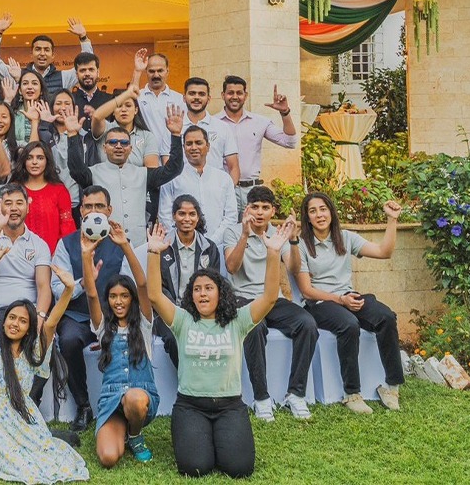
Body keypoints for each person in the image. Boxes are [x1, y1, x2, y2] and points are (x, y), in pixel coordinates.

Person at [146, 220, 294, 478]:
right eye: (197, 290)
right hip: (190, 406)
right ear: (191, 295)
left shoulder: (238, 321)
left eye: (208, 289)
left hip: (229, 406)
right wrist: (153, 252)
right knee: (195, 468)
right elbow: (155, 295)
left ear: (220, 293)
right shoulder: (182, 321)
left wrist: (273, 253)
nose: (202, 294)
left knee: (239, 469)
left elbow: (270, 296)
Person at [0, 246, 89, 483]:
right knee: (16, 461)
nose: (15, 323)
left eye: (23, 321)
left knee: (47, 453)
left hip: (23, 416)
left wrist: (68, 289)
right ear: (4, 322)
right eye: (12, 318)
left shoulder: (33, 352)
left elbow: (51, 323)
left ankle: (54, 436)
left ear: (29, 328)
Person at [291, 193, 405, 413]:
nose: (319, 214)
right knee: (349, 324)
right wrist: (340, 300)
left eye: (322, 209)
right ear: (307, 217)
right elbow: (306, 290)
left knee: (386, 317)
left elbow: (385, 252)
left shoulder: (345, 237)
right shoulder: (303, 245)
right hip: (320, 302)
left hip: (347, 296)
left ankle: (391, 386)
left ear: (331, 212)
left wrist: (392, 220)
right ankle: (352, 393)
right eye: (312, 211)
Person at [224, 186, 317, 422]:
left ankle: (296, 394)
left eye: (265, 208)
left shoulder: (279, 233)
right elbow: (231, 267)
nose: (260, 212)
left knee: (307, 323)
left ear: (272, 210)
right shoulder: (233, 232)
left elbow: (295, 268)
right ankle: (261, 397)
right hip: (242, 298)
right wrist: (245, 235)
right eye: (255, 207)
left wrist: (293, 240)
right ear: (247, 209)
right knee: (256, 328)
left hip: (272, 297)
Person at [49, 186, 134, 432]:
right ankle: (83, 404)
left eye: (99, 207)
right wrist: (84, 283)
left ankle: (121, 402)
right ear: (81, 211)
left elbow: (131, 285)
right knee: (69, 340)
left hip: (112, 315)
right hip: (76, 315)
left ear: (109, 211)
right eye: (88, 207)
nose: (93, 211)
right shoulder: (66, 244)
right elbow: (57, 288)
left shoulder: (120, 242)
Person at [81, 231, 158, 466]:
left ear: (132, 299)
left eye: (125, 296)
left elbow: (143, 283)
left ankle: (134, 435)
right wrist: (86, 257)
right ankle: (122, 427)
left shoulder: (144, 324)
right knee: (108, 457)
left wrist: (125, 245)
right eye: (113, 296)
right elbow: (92, 295)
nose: (119, 301)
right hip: (112, 400)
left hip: (140, 395)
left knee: (134, 399)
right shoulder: (104, 327)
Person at [68, 115, 184, 245]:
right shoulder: (93, 172)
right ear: (104, 148)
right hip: (105, 243)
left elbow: (174, 168)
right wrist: (72, 135)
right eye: (112, 143)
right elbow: (75, 169)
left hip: (138, 244)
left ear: (130, 149)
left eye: (124, 143)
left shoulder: (144, 173)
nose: (118, 146)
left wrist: (175, 135)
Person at [149, 194, 223, 366]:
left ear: (198, 217)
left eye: (192, 214)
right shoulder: (162, 245)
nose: (187, 219)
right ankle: (187, 382)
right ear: (174, 216)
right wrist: (176, 311)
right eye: (182, 214)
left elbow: (214, 286)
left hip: (200, 310)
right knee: (174, 339)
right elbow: (158, 286)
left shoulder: (209, 248)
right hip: (168, 312)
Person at [215, 76, 298, 211]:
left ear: (245, 95)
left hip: (252, 192)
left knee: (254, 231)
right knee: (227, 231)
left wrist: (285, 112)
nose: (235, 97)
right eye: (230, 93)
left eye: (239, 93)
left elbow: (290, 142)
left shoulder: (259, 122)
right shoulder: (213, 123)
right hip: (224, 191)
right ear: (223, 95)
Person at [0, 185, 53, 317]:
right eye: (8, 203)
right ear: (0, 207)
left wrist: (40, 317)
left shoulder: (39, 244)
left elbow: (44, 287)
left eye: (19, 203)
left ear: (28, 207)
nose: (14, 208)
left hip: (28, 313)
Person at [157, 126, 238, 244]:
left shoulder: (223, 178)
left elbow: (231, 216)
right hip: (180, 246)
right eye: (189, 144)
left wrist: (212, 242)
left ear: (208, 146)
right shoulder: (172, 178)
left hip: (218, 245)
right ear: (183, 147)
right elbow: (165, 216)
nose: (194, 147)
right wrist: (183, 241)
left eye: (198, 143)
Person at [0, 12, 94, 95]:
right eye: (38, 49)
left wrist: (83, 38)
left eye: (47, 50)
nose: (42, 53)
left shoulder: (64, 77)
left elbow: (87, 64)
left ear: (53, 56)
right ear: (31, 54)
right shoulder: (16, 73)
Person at [7, 141, 75, 253]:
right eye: (29, 158)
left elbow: (67, 227)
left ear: (47, 161)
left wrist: (60, 256)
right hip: (18, 257)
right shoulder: (14, 189)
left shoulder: (59, 191)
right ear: (24, 162)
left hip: (53, 258)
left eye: (40, 158)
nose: (34, 162)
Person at [180, 77, 239, 180]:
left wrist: (227, 190)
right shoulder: (174, 128)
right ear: (184, 98)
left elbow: (234, 167)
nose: (196, 98)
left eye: (201, 94)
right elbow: (167, 165)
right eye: (192, 93)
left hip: (215, 191)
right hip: (182, 191)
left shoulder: (222, 127)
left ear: (209, 98)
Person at [88, 83, 160, 168]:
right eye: (119, 106)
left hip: (136, 181)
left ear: (136, 110)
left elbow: (152, 171)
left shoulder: (147, 136)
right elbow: (96, 116)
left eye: (128, 106)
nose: (124, 110)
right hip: (105, 180)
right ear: (113, 111)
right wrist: (127, 94)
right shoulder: (105, 129)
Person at [134, 50, 186, 158]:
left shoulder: (179, 99)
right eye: (151, 71)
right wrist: (137, 71)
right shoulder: (138, 97)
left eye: (160, 71)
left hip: (172, 158)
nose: (156, 75)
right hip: (145, 158)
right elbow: (129, 96)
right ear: (146, 72)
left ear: (167, 71)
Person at [70, 53, 112, 126]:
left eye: (91, 69)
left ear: (98, 72)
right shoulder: (70, 101)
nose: (87, 74)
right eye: (82, 70)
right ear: (77, 75)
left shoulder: (110, 100)